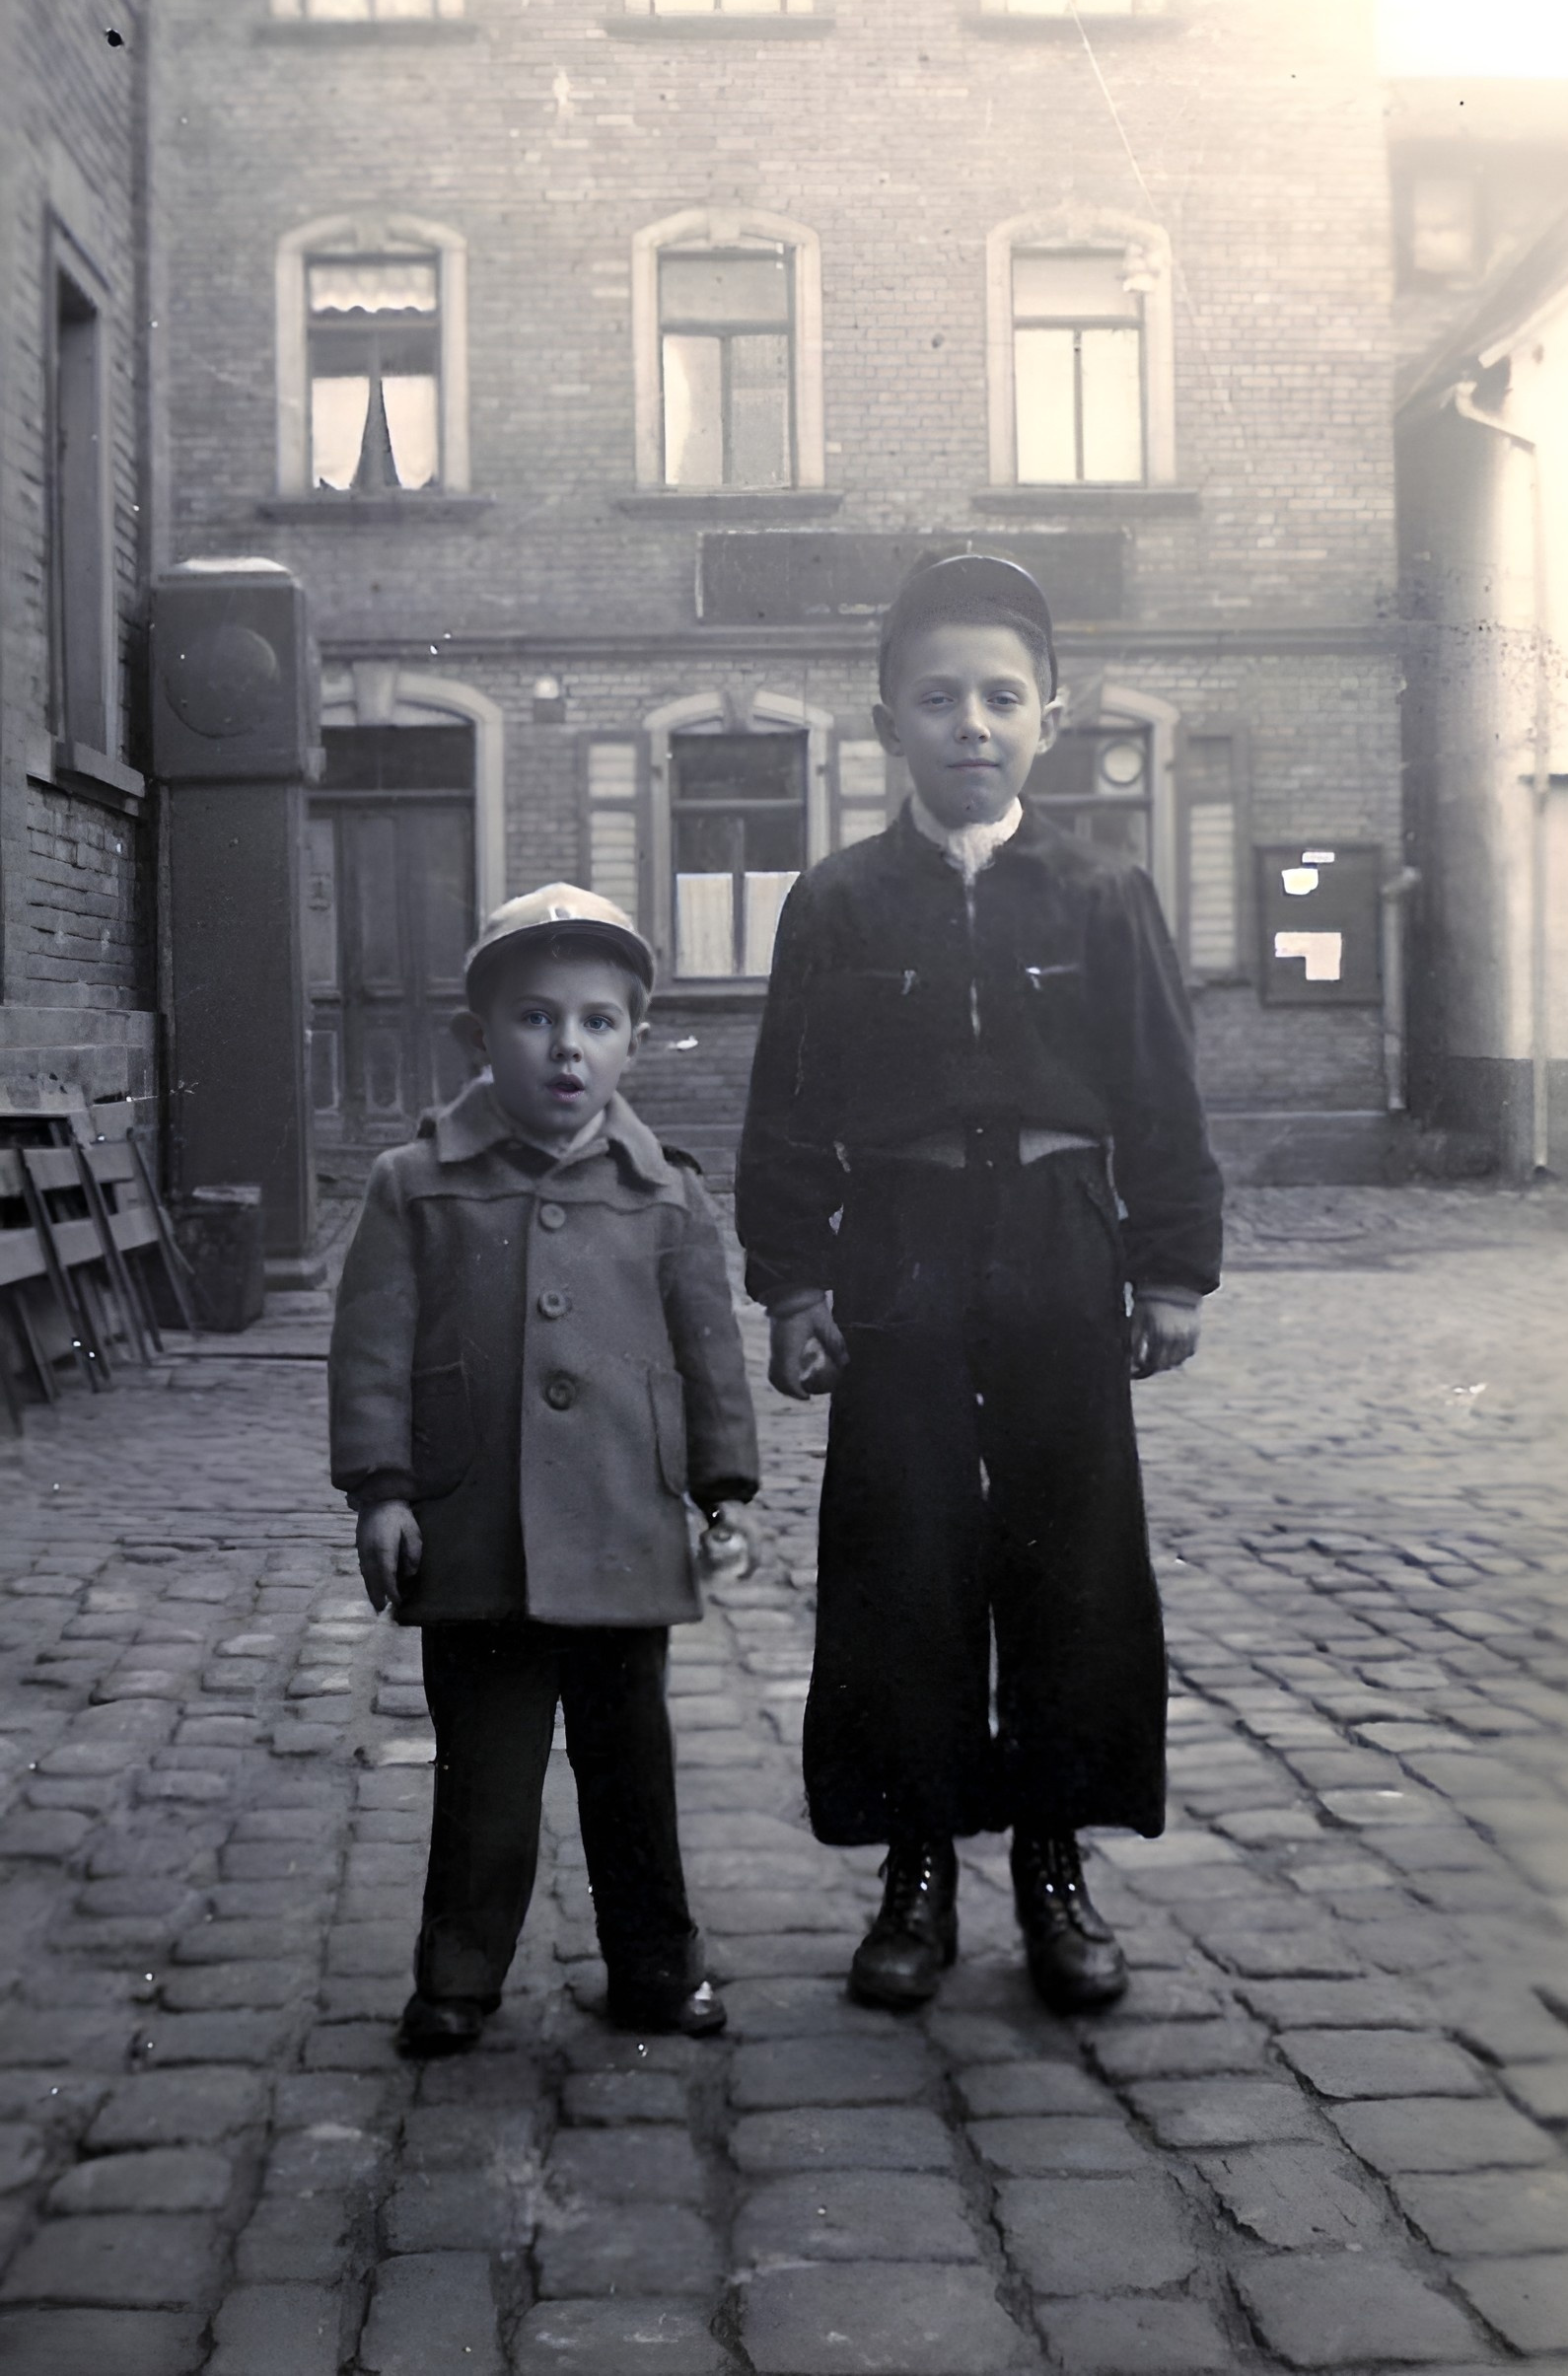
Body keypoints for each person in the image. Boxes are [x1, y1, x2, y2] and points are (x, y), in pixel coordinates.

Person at [736, 554, 1223, 2015]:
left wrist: (1172, 1269)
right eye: (939, 697)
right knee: (903, 1550)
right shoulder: (836, 903)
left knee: (1073, 1553)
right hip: (901, 1249)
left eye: (1002, 698)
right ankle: (917, 1870)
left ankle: (1056, 1865)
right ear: (887, 718)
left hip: (1062, 1241)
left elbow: (1164, 1091)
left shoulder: (1105, 892)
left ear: (1048, 720)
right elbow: (786, 1112)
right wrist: (793, 1285)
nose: (972, 724)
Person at [329, 885, 759, 2055]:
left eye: (597, 1021)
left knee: (633, 1773)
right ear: (478, 1035)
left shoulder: (665, 1191)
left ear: (635, 1040)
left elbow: (709, 1355)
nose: (567, 1047)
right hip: (478, 1535)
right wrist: (381, 1491)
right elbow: (371, 1349)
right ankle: (458, 1974)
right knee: (486, 1776)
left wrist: (724, 1490)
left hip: (625, 1528)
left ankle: (657, 1964)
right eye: (534, 1018)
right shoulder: (413, 1184)